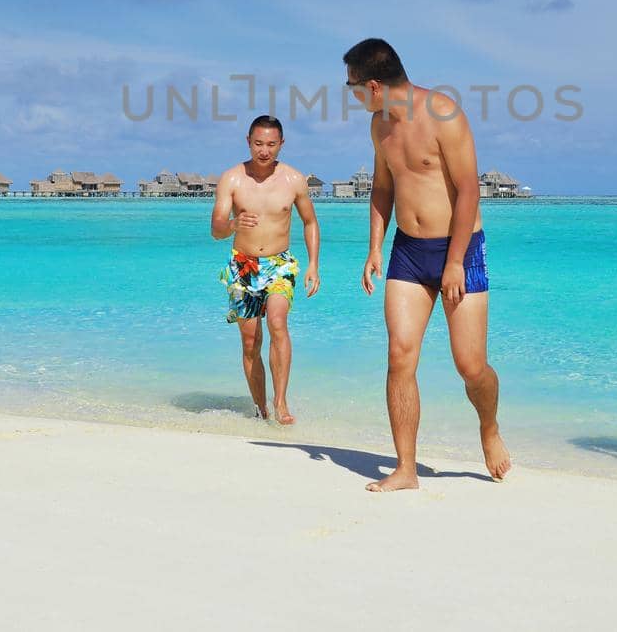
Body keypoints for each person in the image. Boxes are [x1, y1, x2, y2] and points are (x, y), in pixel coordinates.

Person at [344, 38, 510, 490]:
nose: (351, 94)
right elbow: (382, 188)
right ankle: (406, 469)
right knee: (400, 356)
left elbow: (469, 189)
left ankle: (489, 428)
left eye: (353, 86)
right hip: (408, 251)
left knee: (470, 367)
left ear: (374, 85)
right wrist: (375, 247)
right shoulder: (379, 127)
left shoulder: (444, 113)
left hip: (462, 249)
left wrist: (455, 261)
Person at [210, 115, 321, 424]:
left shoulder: (294, 180)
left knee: (276, 322)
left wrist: (313, 264)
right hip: (243, 265)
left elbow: (310, 222)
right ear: (248, 142)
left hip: (279, 264)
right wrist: (233, 224)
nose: (264, 150)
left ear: (281, 144)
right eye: (258, 143)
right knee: (250, 343)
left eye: (271, 144)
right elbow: (216, 229)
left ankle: (281, 402)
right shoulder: (231, 179)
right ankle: (261, 410)